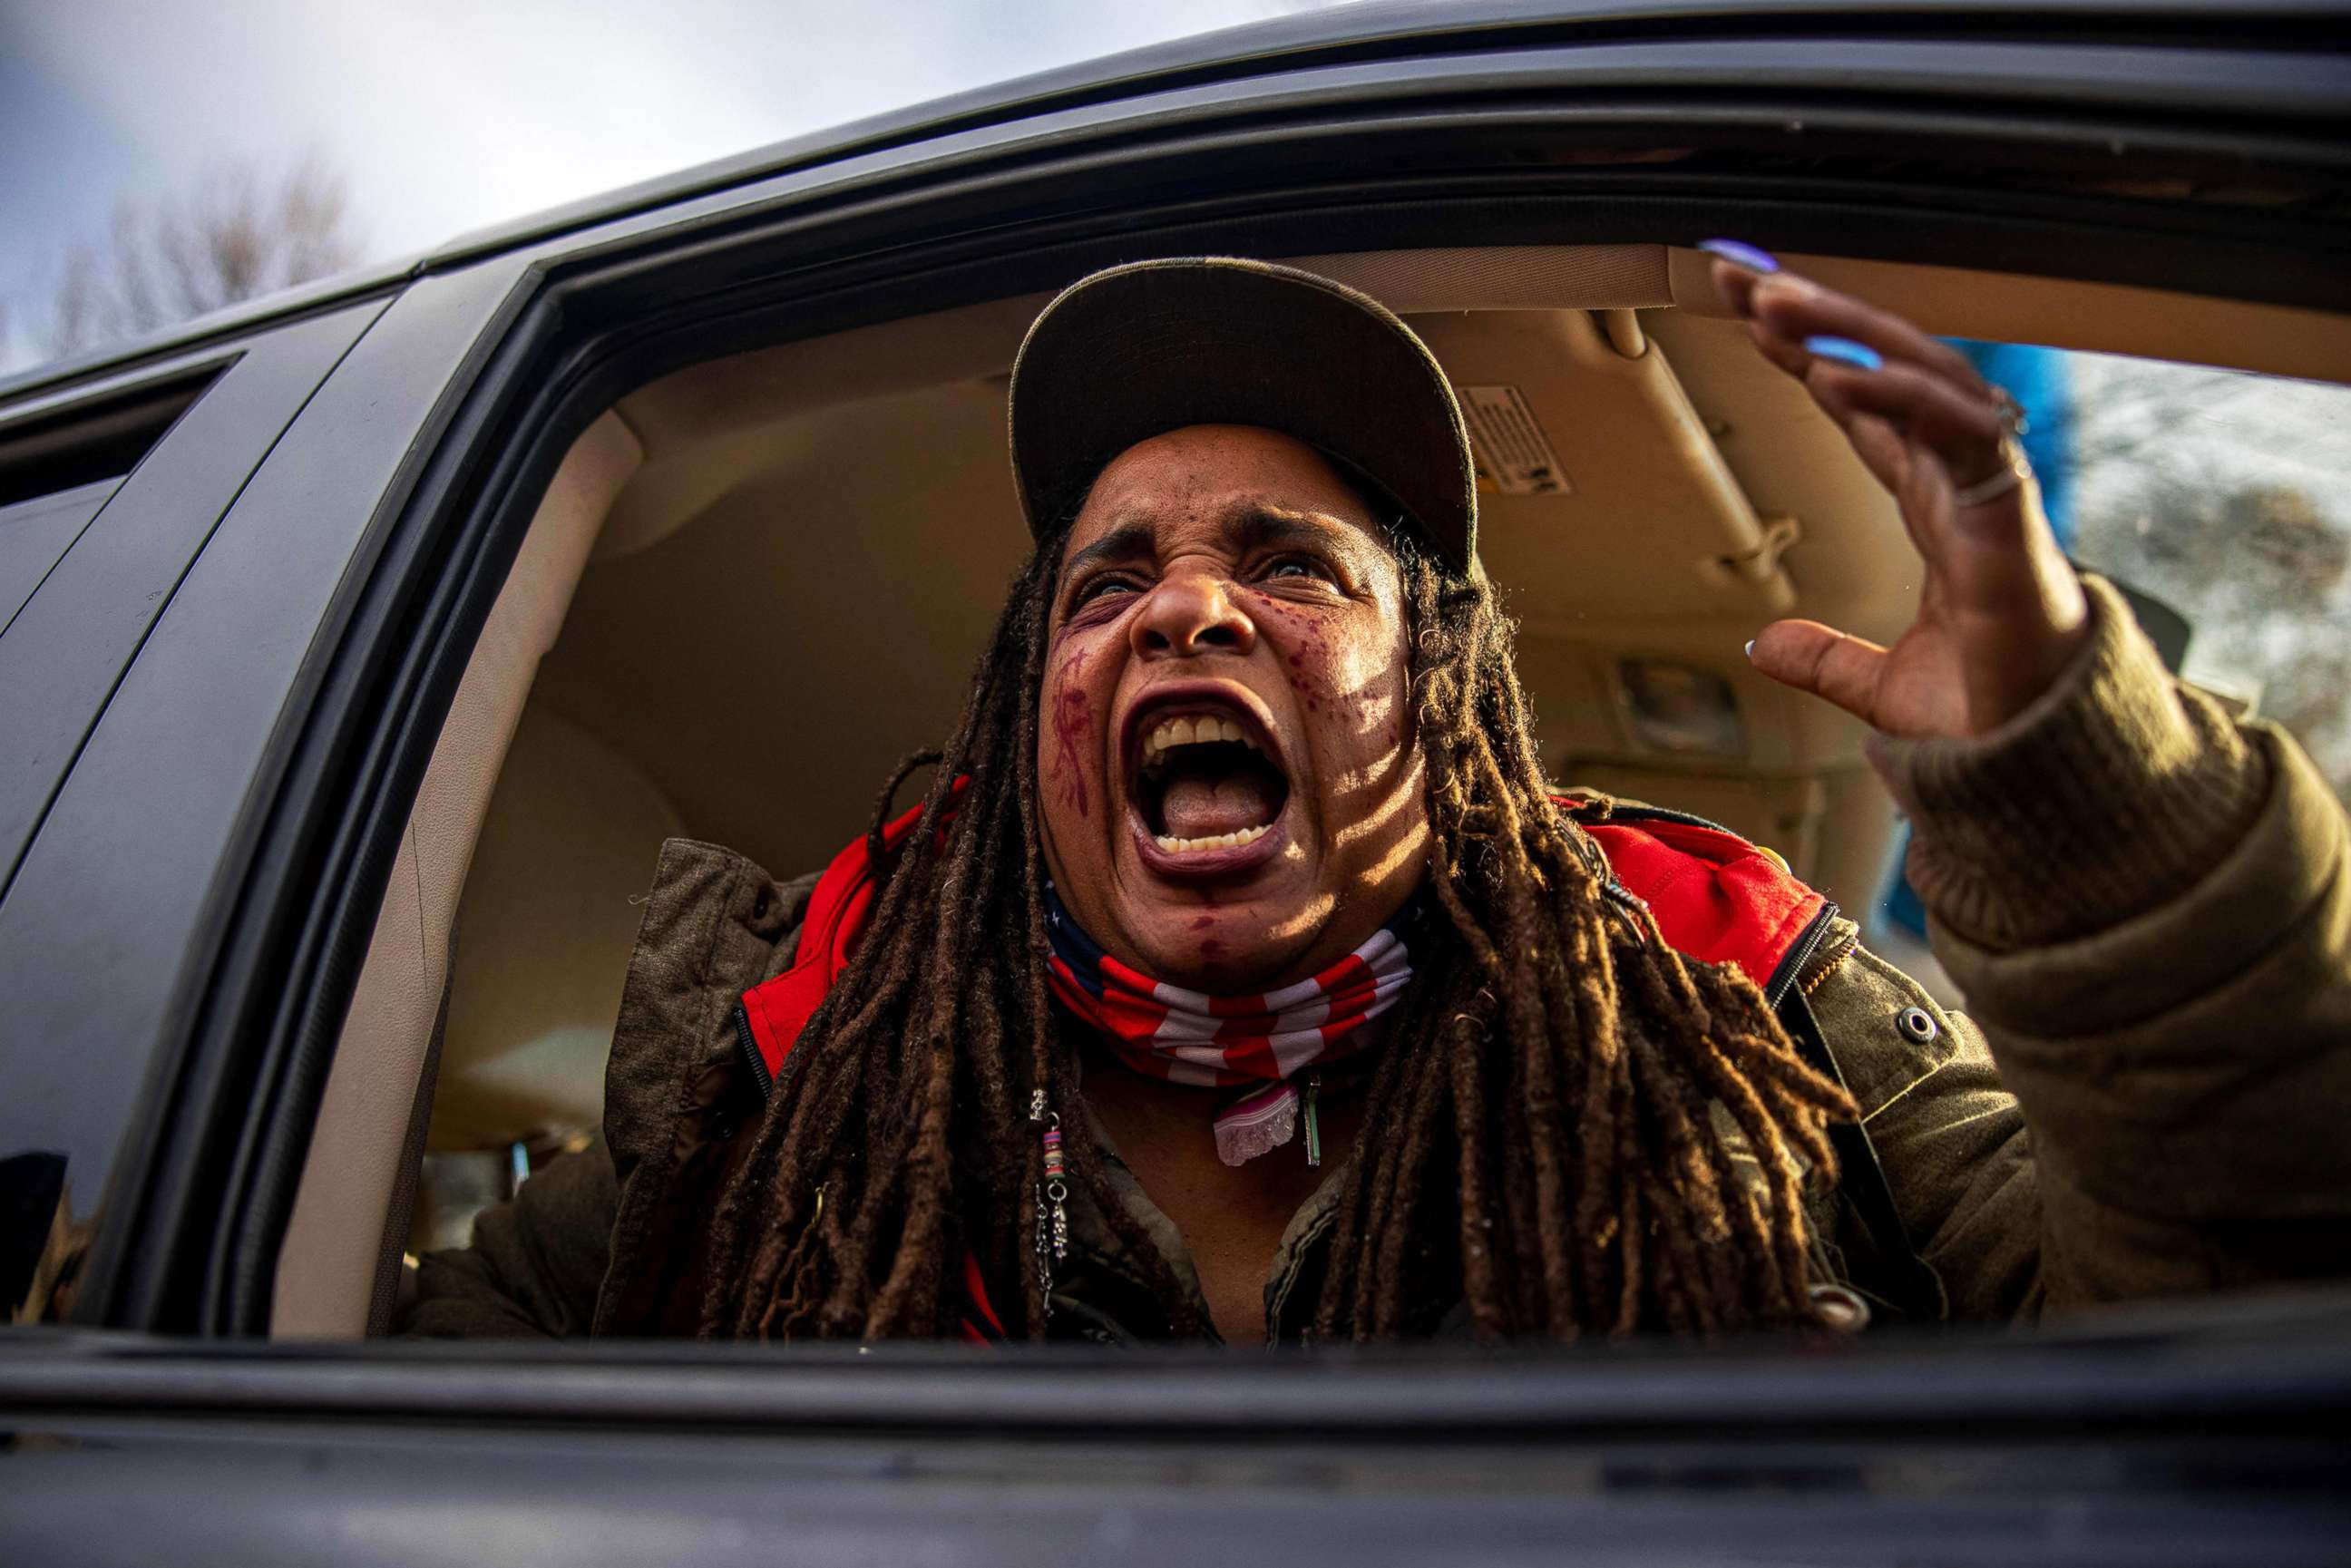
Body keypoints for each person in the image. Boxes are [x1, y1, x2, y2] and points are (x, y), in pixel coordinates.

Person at [405, 251, 2351, 1346]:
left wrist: (2089, 788)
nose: (1185, 603)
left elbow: (2238, 1317)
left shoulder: (1745, 1001)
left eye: (1292, 562)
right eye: (1110, 580)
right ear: (1038, 710)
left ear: (1440, 692)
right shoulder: (798, 1064)